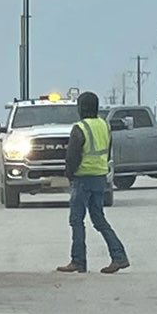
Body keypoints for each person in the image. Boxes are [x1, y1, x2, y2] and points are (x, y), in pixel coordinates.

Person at [57, 91, 130, 274]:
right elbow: (108, 149)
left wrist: (69, 174)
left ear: (81, 108)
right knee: (99, 219)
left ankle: (78, 261)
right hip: (100, 177)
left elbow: (72, 155)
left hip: (82, 178)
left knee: (76, 220)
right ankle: (119, 256)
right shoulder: (104, 126)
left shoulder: (80, 128)